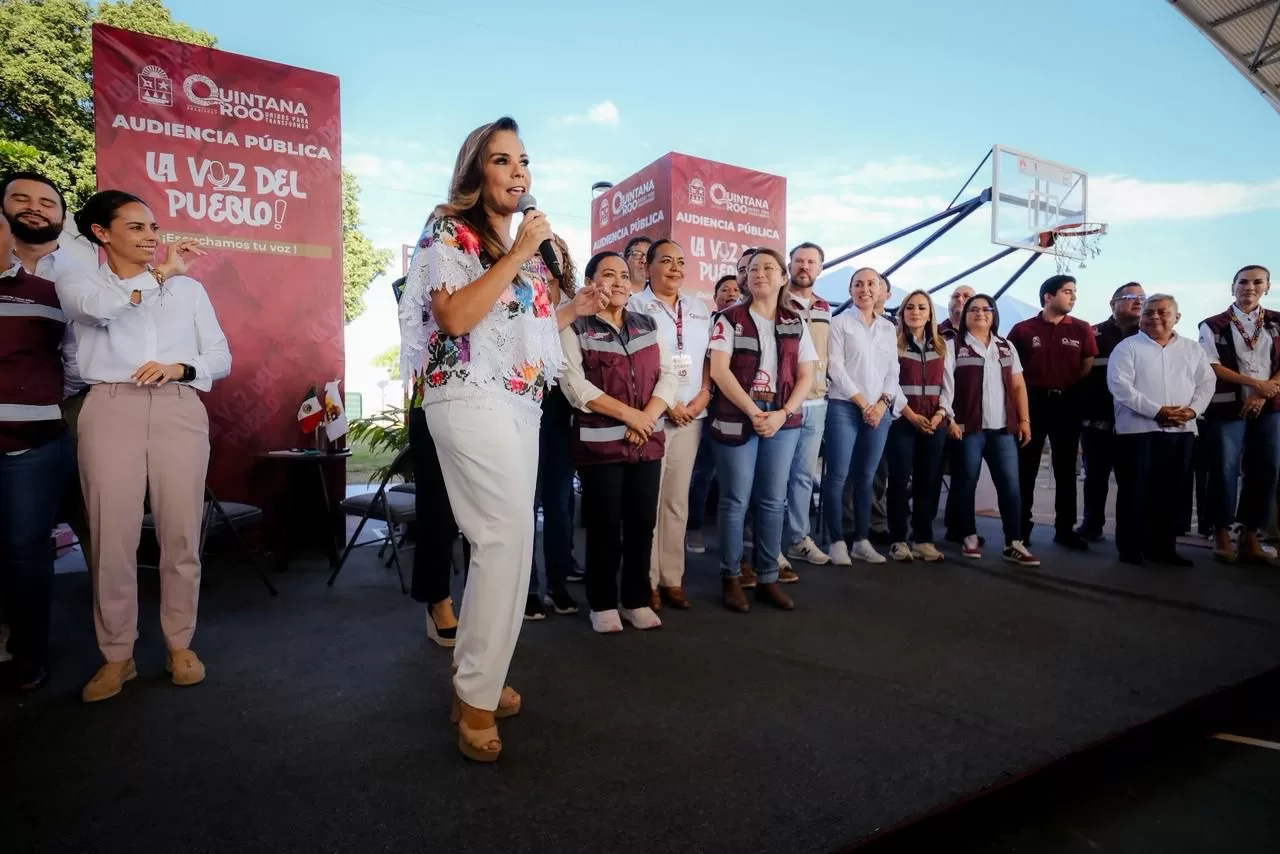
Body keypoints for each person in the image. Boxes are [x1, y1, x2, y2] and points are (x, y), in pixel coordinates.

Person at [397, 116, 604, 762]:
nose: (519, 172)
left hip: (519, 401)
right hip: (464, 394)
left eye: (524, 161)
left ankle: (474, 680)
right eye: (502, 160)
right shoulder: (447, 229)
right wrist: (518, 254)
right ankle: (475, 697)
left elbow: (518, 328)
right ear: (475, 171)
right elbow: (456, 317)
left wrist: (572, 307)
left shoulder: (525, 249)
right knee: (504, 537)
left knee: (509, 543)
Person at [54, 190, 230, 702]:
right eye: (136, 227)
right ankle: (117, 655)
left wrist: (182, 367)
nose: (151, 236)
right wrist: (160, 275)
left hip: (179, 405)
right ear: (101, 233)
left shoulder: (189, 291)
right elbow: (100, 312)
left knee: (181, 533)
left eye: (153, 227)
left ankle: (180, 644)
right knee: (112, 537)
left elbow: (220, 355)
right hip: (110, 406)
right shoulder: (80, 281)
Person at [560, 251, 677, 632]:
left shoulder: (648, 323)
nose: (619, 282)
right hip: (600, 446)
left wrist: (647, 417)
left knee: (642, 524)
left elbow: (669, 375)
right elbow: (575, 387)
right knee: (604, 525)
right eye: (608, 275)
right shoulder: (574, 326)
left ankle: (636, 599)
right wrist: (631, 416)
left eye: (624, 275)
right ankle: (602, 602)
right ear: (590, 283)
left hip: (646, 440)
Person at [708, 248, 817, 612]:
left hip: (782, 421)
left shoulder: (795, 321)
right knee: (735, 499)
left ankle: (768, 576)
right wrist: (755, 412)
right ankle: (731, 576)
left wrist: (783, 413)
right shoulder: (728, 318)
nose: (760, 273)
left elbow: (807, 374)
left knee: (773, 501)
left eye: (769, 267)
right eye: (754, 268)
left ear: (784, 277)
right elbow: (719, 371)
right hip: (738, 416)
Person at [2, 172, 92, 563]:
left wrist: (56, 396)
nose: (34, 209)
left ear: (61, 216)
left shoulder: (85, 272)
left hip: (75, 405)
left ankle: (109, 601)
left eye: (46, 203)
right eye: (21, 199)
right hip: (9, 412)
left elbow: (84, 349)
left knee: (92, 511)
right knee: (17, 530)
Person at [0, 213, 73, 693]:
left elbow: (76, 360)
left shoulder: (48, 294)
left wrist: (44, 404)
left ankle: (26, 655)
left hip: (29, 445)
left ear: (10, 235)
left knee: (24, 553)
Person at [628, 239, 713, 610]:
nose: (675, 268)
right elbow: (637, 362)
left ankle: (672, 578)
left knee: (677, 501)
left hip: (692, 415)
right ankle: (645, 580)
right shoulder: (635, 306)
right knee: (648, 501)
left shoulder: (698, 308)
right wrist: (670, 405)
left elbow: (708, 358)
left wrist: (702, 396)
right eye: (666, 261)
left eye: (680, 261)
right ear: (648, 267)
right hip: (654, 416)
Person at [1107, 294, 1215, 566]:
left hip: (1181, 431)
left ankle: (1164, 549)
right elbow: (1120, 386)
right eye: (1149, 312)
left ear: (1176, 317)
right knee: (1135, 491)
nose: (1154, 317)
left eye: (1162, 312)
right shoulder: (1127, 347)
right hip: (1137, 431)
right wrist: (1157, 411)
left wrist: (1192, 410)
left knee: (1172, 493)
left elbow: (1207, 383)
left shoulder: (1193, 349)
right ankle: (1131, 548)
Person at [946, 294, 1039, 566]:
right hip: (968, 428)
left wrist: (1024, 421)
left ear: (994, 315)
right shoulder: (954, 346)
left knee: (1011, 486)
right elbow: (946, 387)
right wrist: (949, 419)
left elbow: (1019, 386)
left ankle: (1014, 542)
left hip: (1003, 430)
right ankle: (968, 537)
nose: (980, 314)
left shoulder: (1006, 346)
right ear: (965, 316)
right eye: (973, 309)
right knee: (965, 484)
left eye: (986, 309)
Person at [394, 274, 461, 648]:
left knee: (486, 516)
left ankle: (484, 602)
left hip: (489, 405)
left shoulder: (500, 270)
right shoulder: (425, 273)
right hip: (434, 401)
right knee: (439, 512)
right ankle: (438, 600)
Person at [1006, 275, 1097, 550]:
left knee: (1066, 470)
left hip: (1067, 403)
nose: (1073, 296)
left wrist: (1066, 386)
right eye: (1067, 291)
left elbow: (1086, 366)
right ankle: (1021, 529)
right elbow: (1011, 371)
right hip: (1032, 403)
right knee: (1026, 469)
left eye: (1074, 291)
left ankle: (1065, 529)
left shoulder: (1082, 328)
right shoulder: (1022, 330)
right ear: (1048, 296)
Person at [1197, 264, 1280, 565]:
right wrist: (1255, 384)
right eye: (1243, 282)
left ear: (1267, 287)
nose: (1250, 287)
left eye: (1258, 282)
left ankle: (1250, 536)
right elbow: (1212, 366)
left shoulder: (1277, 322)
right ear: (1232, 287)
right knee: (1224, 468)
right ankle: (1221, 533)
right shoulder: (1213, 325)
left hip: (1269, 405)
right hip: (1227, 407)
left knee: (1266, 468)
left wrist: (1264, 391)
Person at [822, 267, 899, 565]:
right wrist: (863, 403)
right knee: (837, 476)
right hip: (844, 407)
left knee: (866, 477)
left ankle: (861, 541)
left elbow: (893, 371)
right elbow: (836, 367)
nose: (865, 289)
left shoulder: (888, 328)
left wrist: (881, 403)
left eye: (871, 284)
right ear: (850, 290)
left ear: (880, 290)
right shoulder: (840, 322)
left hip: (879, 410)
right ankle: (836, 541)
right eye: (858, 284)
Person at [527, 233, 581, 619]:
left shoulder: (577, 301)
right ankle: (528, 588)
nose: (546, 258)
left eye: (554, 251)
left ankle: (558, 584)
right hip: (525, 406)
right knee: (526, 505)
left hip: (564, 411)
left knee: (560, 504)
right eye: (538, 251)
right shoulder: (517, 297)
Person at [885, 289, 953, 563]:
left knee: (928, 482)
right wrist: (911, 415)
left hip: (934, 423)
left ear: (930, 314)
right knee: (899, 481)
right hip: (902, 421)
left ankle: (923, 540)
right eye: (910, 307)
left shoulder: (942, 346)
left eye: (922, 308)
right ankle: (898, 540)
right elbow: (890, 383)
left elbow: (948, 386)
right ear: (902, 313)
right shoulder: (893, 345)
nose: (915, 312)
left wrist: (940, 414)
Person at [1076, 282, 1144, 542]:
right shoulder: (1092, 334)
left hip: (1135, 423)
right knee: (1095, 478)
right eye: (1131, 297)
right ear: (1113, 303)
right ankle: (1091, 525)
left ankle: (1129, 534)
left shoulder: (1148, 336)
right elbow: (1078, 378)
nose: (1138, 301)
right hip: (1097, 423)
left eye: (1142, 297)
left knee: (1132, 482)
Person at [780, 242, 833, 570]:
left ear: (820, 268)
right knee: (774, 478)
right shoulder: (777, 299)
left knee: (802, 476)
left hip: (816, 402)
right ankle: (769, 545)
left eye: (811, 262)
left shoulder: (825, 307)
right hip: (783, 402)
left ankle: (799, 538)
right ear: (789, 265)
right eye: (799, 260)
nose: (804, 266)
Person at [686, 274, 743, 555]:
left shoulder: (746, 324)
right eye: (724, 289)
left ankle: (736, 535)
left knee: (736, 478)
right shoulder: (704, 325)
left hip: (739, 410)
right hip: (708, 408)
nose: (731, 293)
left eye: (735, 289)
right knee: (703, 471)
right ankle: (694, 527)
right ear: (715, 296)